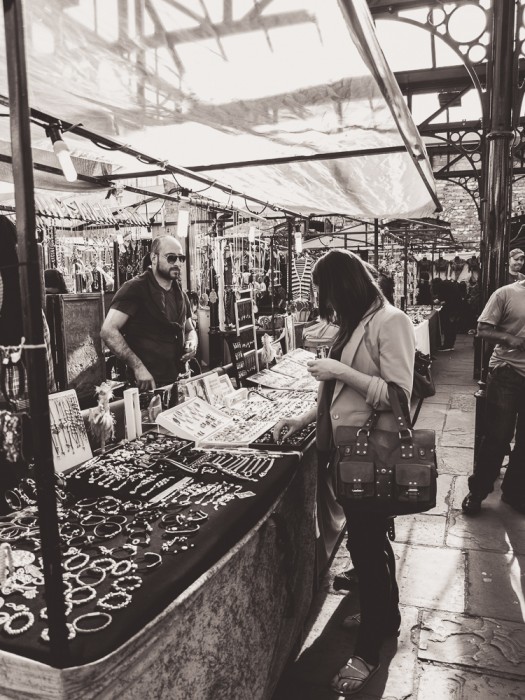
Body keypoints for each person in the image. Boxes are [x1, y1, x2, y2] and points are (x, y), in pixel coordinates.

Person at [272, 250, 415, 696]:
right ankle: (384, 613)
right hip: (351, 451)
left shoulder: (391, 321)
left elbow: (398, 398)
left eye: (324, 291)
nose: (322, 301)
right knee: (369, 540)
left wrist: (339, 369)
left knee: (368, 546)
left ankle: (369, 651)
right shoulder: (358, 321)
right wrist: (303, 422)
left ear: (344, 286)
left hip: (373, 453)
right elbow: (335, 397)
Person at [462, 276, 525, 515]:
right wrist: (511, 339)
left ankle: (515, 492)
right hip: (507, 372)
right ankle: (478, 491)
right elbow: (482, 330)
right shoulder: (506, 294)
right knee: (498, 436)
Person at [100, 235, 197, 391]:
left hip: (179, 380)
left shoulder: (180, 293)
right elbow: (108, 331)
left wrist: (193, 343)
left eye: (181, 258)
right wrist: (138, 367)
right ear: (154, 258)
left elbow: (189, 328)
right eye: (171, 258)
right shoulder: (135, 289)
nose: (178, 263)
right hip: (147, 384)